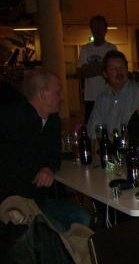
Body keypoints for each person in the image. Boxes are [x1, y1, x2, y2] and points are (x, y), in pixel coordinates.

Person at [0, 69, 90, 232]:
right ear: (42, 95)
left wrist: (48, 167)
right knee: (54, 231)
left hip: (37, 201)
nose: (62, 97)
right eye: (58, 92)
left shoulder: (53, 120)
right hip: (12, 202)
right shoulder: (10, 117)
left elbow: (54, 154)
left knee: (81, 217)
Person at [87, 50, 139, 139]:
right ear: (105, 74)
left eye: (122, 67)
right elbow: (93, 129)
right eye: (113, 68)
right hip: (107, 146)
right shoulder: (102, 99)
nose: (119, 71)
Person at [77, 15, 117, 123]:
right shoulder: (85, 49)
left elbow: (113, 71)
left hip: (108, 95)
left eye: (100, 27)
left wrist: (90, 68)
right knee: (91, 126)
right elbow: (80, 72)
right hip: (90, 97)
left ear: (105, 30)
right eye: (94, 27)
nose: (97, 30)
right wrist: (101, 69)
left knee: (109, 125)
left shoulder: (111, 48)